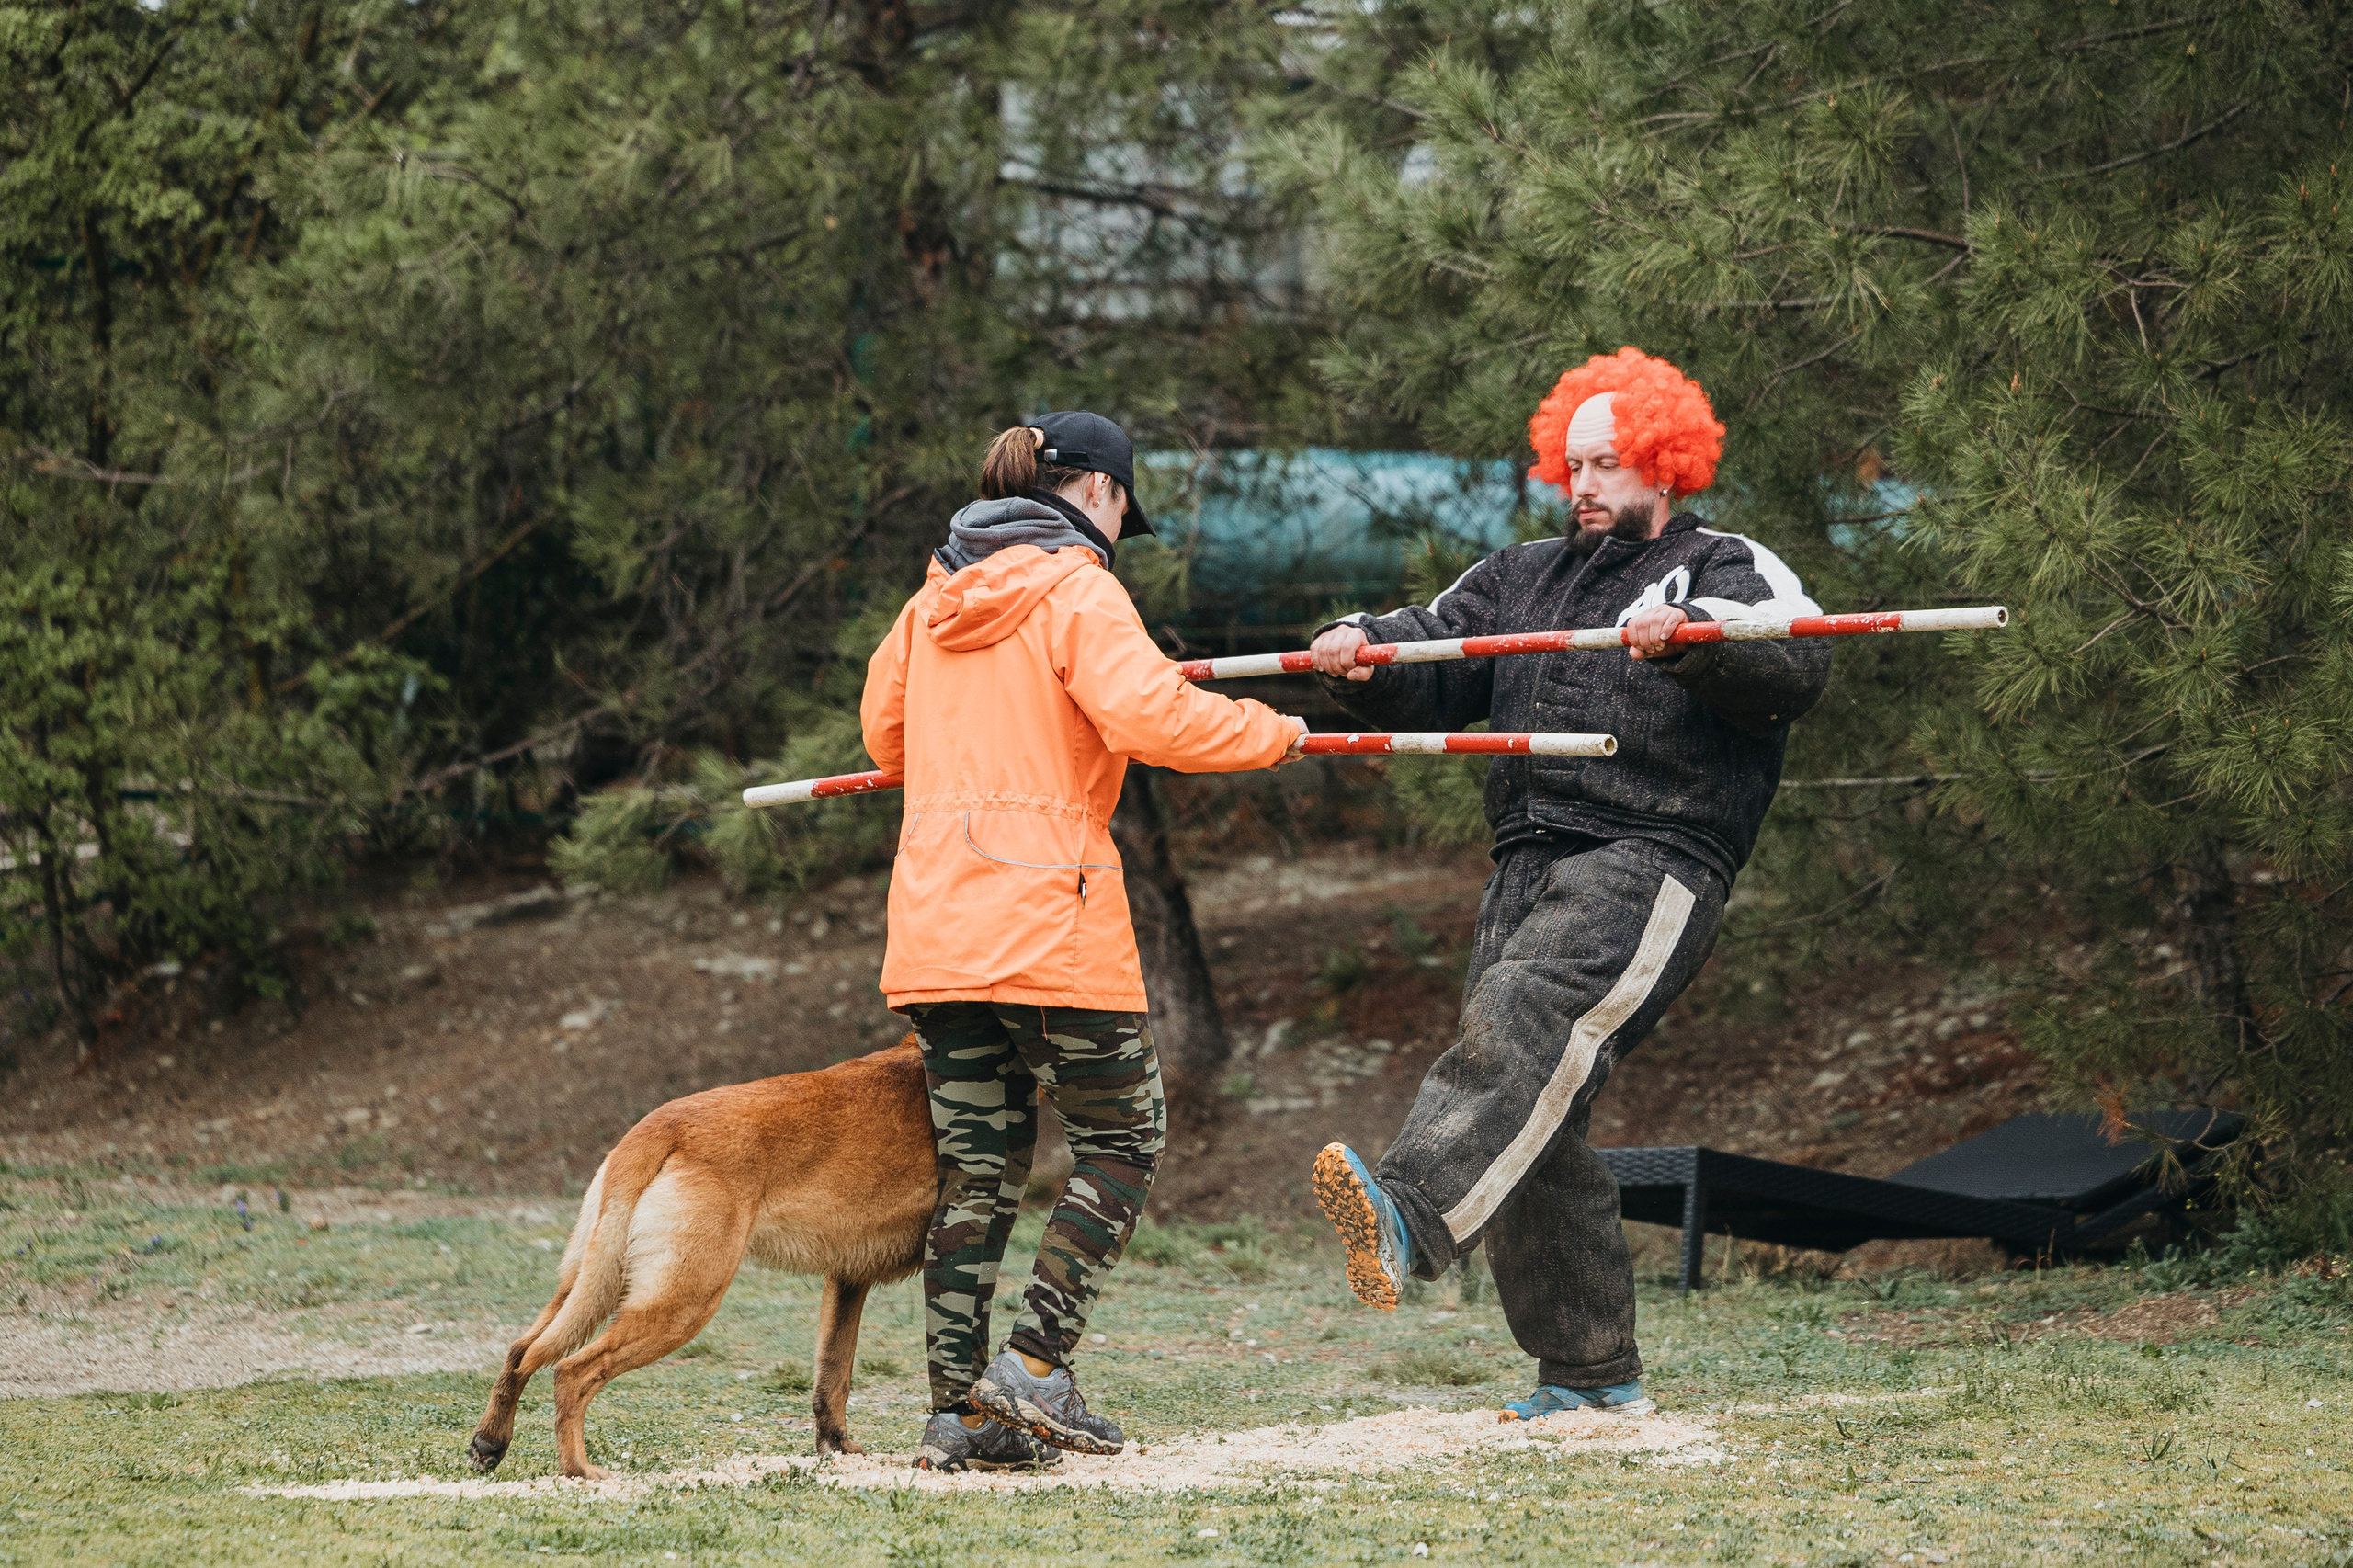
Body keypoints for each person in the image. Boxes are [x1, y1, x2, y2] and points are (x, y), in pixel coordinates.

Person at [1305, 348, 1831, 1420]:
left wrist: (1690, 643)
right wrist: (1362, 648)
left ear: (1667, 465)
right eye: (1573, 464)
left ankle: (1405, 1209)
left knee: (1521, 1016)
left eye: (1610, 464)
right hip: (1525, 859)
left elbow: (1794, 659)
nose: (1584, 486)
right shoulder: (1518, 573)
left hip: (1654, 851)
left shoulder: (1725, 562)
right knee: (1533, 1110)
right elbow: (1435, 645)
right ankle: (1590, 1373)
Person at [862, 411, 1307, 1471]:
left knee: (978, 1168)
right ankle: (1036, 1361)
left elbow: (884, 735)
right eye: (1123, 508)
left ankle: (957, 1415)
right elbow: (1154, 716)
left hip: (935, 923)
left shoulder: (932, 599)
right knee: (1124, 1137)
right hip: (1047, 923)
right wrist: (1275, 731)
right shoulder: (1078, 587)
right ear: (1100, 491)